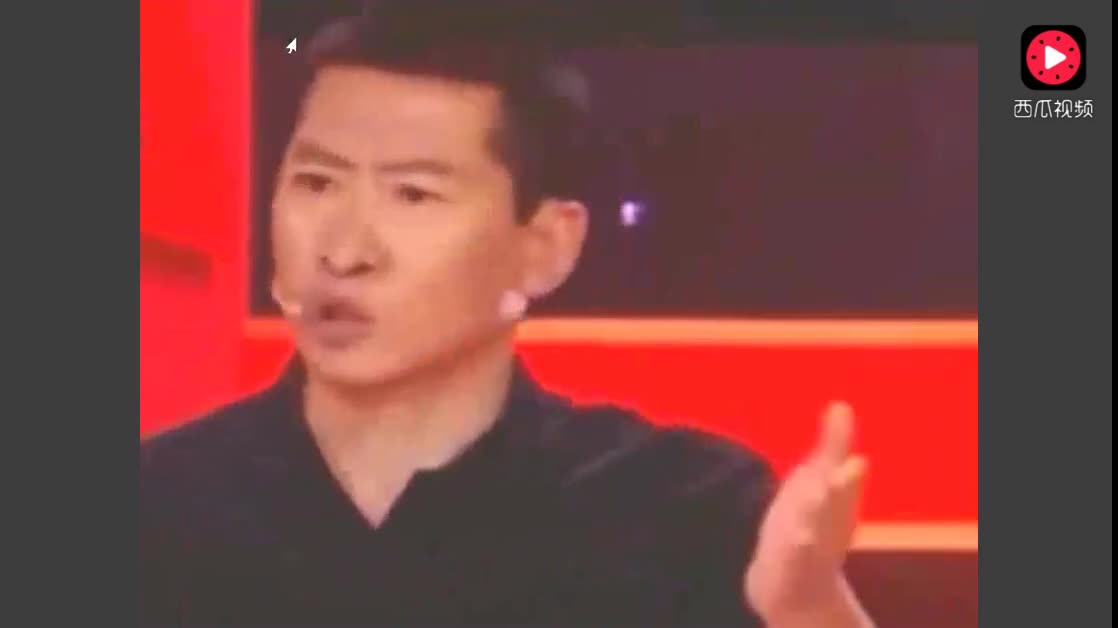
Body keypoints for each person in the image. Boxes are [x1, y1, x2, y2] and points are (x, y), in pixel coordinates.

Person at [140, 4, 876, 626]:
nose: (344, 250)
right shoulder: (151, 508)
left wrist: (809, 609)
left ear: (545, 247)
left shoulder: (680, 513)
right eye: (316, 183)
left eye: (412, 195)